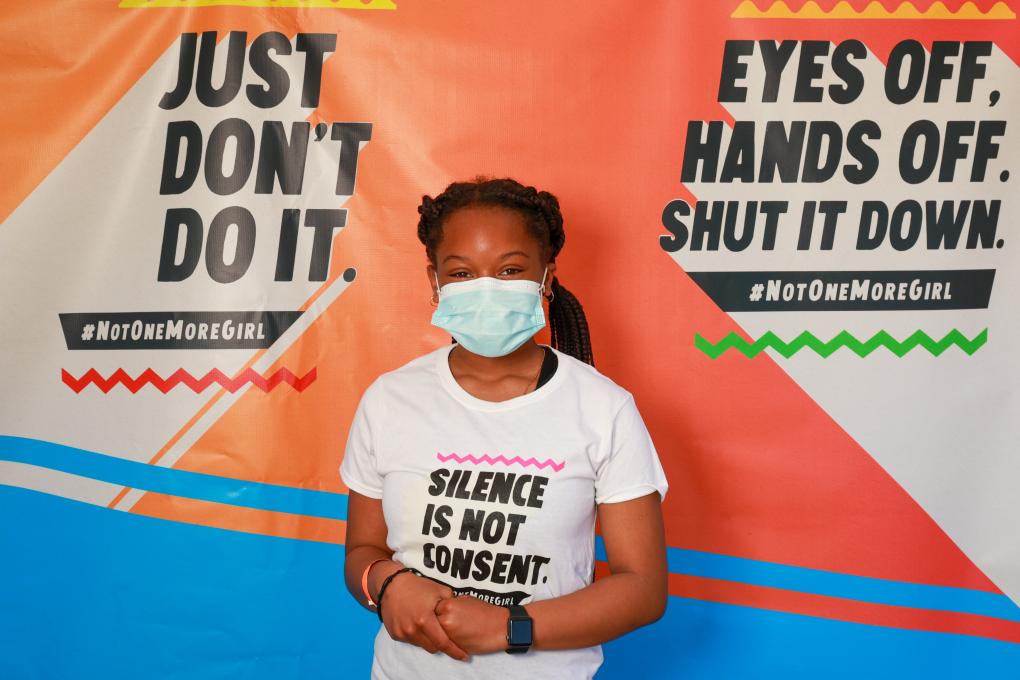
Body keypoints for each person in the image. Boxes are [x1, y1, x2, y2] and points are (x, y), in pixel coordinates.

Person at [340, 176, 669, 679]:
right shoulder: (389, 399)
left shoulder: (604, 408)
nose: (486, 289)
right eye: (462, 273)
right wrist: (386, 585)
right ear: (435, 283)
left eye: (510, 269)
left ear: (547, 278)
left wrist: (509, 625)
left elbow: (642, 590)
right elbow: (362, 553)